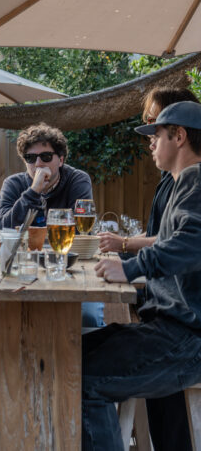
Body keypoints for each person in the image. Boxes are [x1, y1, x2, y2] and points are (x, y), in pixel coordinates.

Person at [83, 100, 201, 451]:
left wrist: (131, 266)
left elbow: (193, 243)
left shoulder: (196, 178)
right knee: (65, 356)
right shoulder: (182, 182)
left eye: (157, 134)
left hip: (186, 338)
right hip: (168, 328)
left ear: (178, 136)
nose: (150, 143)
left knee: (83, 379)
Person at [0, 123, 103, 327]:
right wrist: (33, 191)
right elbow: (5, 229)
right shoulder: (14, 184)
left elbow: (82, 230)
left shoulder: (77, 180)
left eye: (45, 157)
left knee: (88, 317)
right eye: (30, 158)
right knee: (7, 316)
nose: (38, 163)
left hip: (72, 265)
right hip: (26, 267)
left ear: (61, 159)